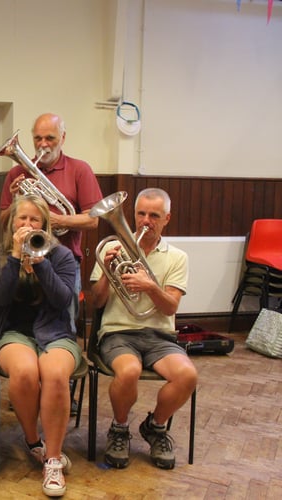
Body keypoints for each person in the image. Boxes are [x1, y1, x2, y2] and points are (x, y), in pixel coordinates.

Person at [0, 112, 102, 415]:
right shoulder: (17, 172)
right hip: (22, 261)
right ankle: (26, 385)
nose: (43, 145)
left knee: (62, 325)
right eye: (38, 139)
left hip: (64, 260)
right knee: (22, 322)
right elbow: (5, 218)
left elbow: (94, 220)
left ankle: (60, 389)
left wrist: (56, 219)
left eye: (50, 138)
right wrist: (18, 199)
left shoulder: (79, 170)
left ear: (63, 139)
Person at [89, 188, 197, 470]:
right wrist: (106, 272)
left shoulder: (177, 257)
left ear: (167, 219)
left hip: (159, 336)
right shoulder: (110, 248)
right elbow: (96, 302)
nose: (145, 221)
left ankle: (155, 426)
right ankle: (120, 428)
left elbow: (171, 307)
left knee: (187, 375)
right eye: (140, 214)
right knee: (129, 371)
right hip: (118, 333)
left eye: (154, 215)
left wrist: (150, 286)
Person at [0, 194, 82, 497]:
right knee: (25, 372)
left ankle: (53, 459)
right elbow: (0, 298)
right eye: (22, 219)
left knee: (54, 375)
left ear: (45, 225)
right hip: (13, 331)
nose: (27, 225)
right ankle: (33, 442)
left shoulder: (61, 255)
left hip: (55, 332)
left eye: (34, 220)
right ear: (12, 222)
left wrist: (40, 263)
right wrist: (16, 256)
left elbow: (63, 299)